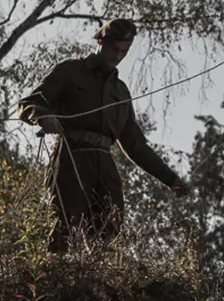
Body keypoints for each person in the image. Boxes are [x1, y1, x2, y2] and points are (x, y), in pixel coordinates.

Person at [16, 18, 189, 253]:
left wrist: (171, 179)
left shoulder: (121, 92)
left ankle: (98, 285)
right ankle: (53, 279)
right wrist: (42, 116)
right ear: (100, 41)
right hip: (71, 157)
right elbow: (28, 104)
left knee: (110, 231)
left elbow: (135, 145)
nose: (117, 55)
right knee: (65, 223)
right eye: (113, 48)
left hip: (104, 165)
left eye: (124, 51)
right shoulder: (70, 71)